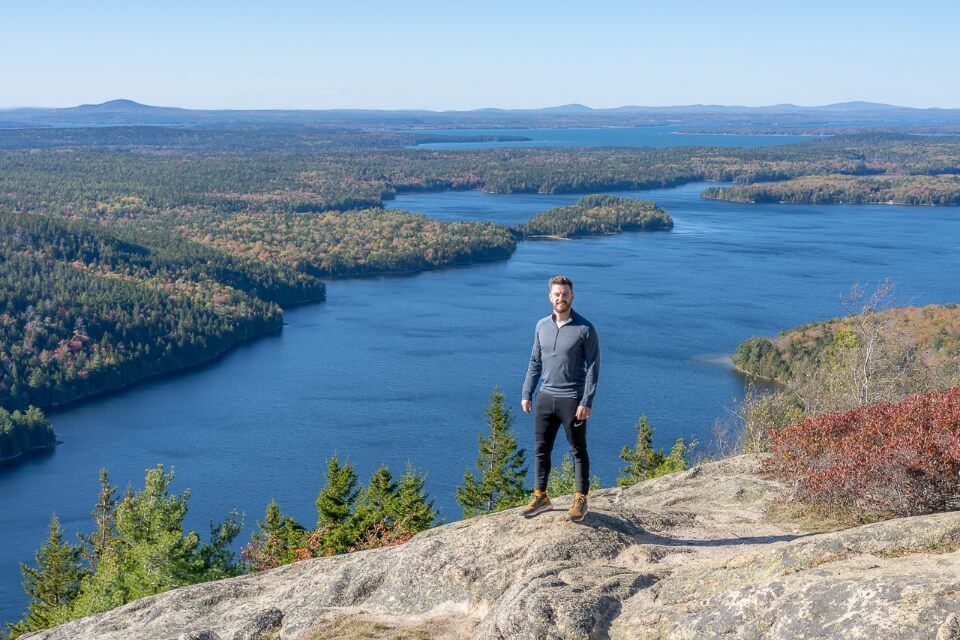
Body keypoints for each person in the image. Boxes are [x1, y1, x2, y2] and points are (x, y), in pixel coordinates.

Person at [520, 275, 600, 522]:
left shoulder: (585, 329)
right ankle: (541, 496)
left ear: (572, 297)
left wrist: (586, 401)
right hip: (546, 397)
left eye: (565, 294)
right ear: (550, 297)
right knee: (541, 449)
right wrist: (527, 393)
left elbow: (594, 367)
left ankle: (580, 499)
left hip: (572, 400)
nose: (561, 298)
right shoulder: (541, 325)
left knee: (577, 450)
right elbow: (535, 362)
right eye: (557, 294)